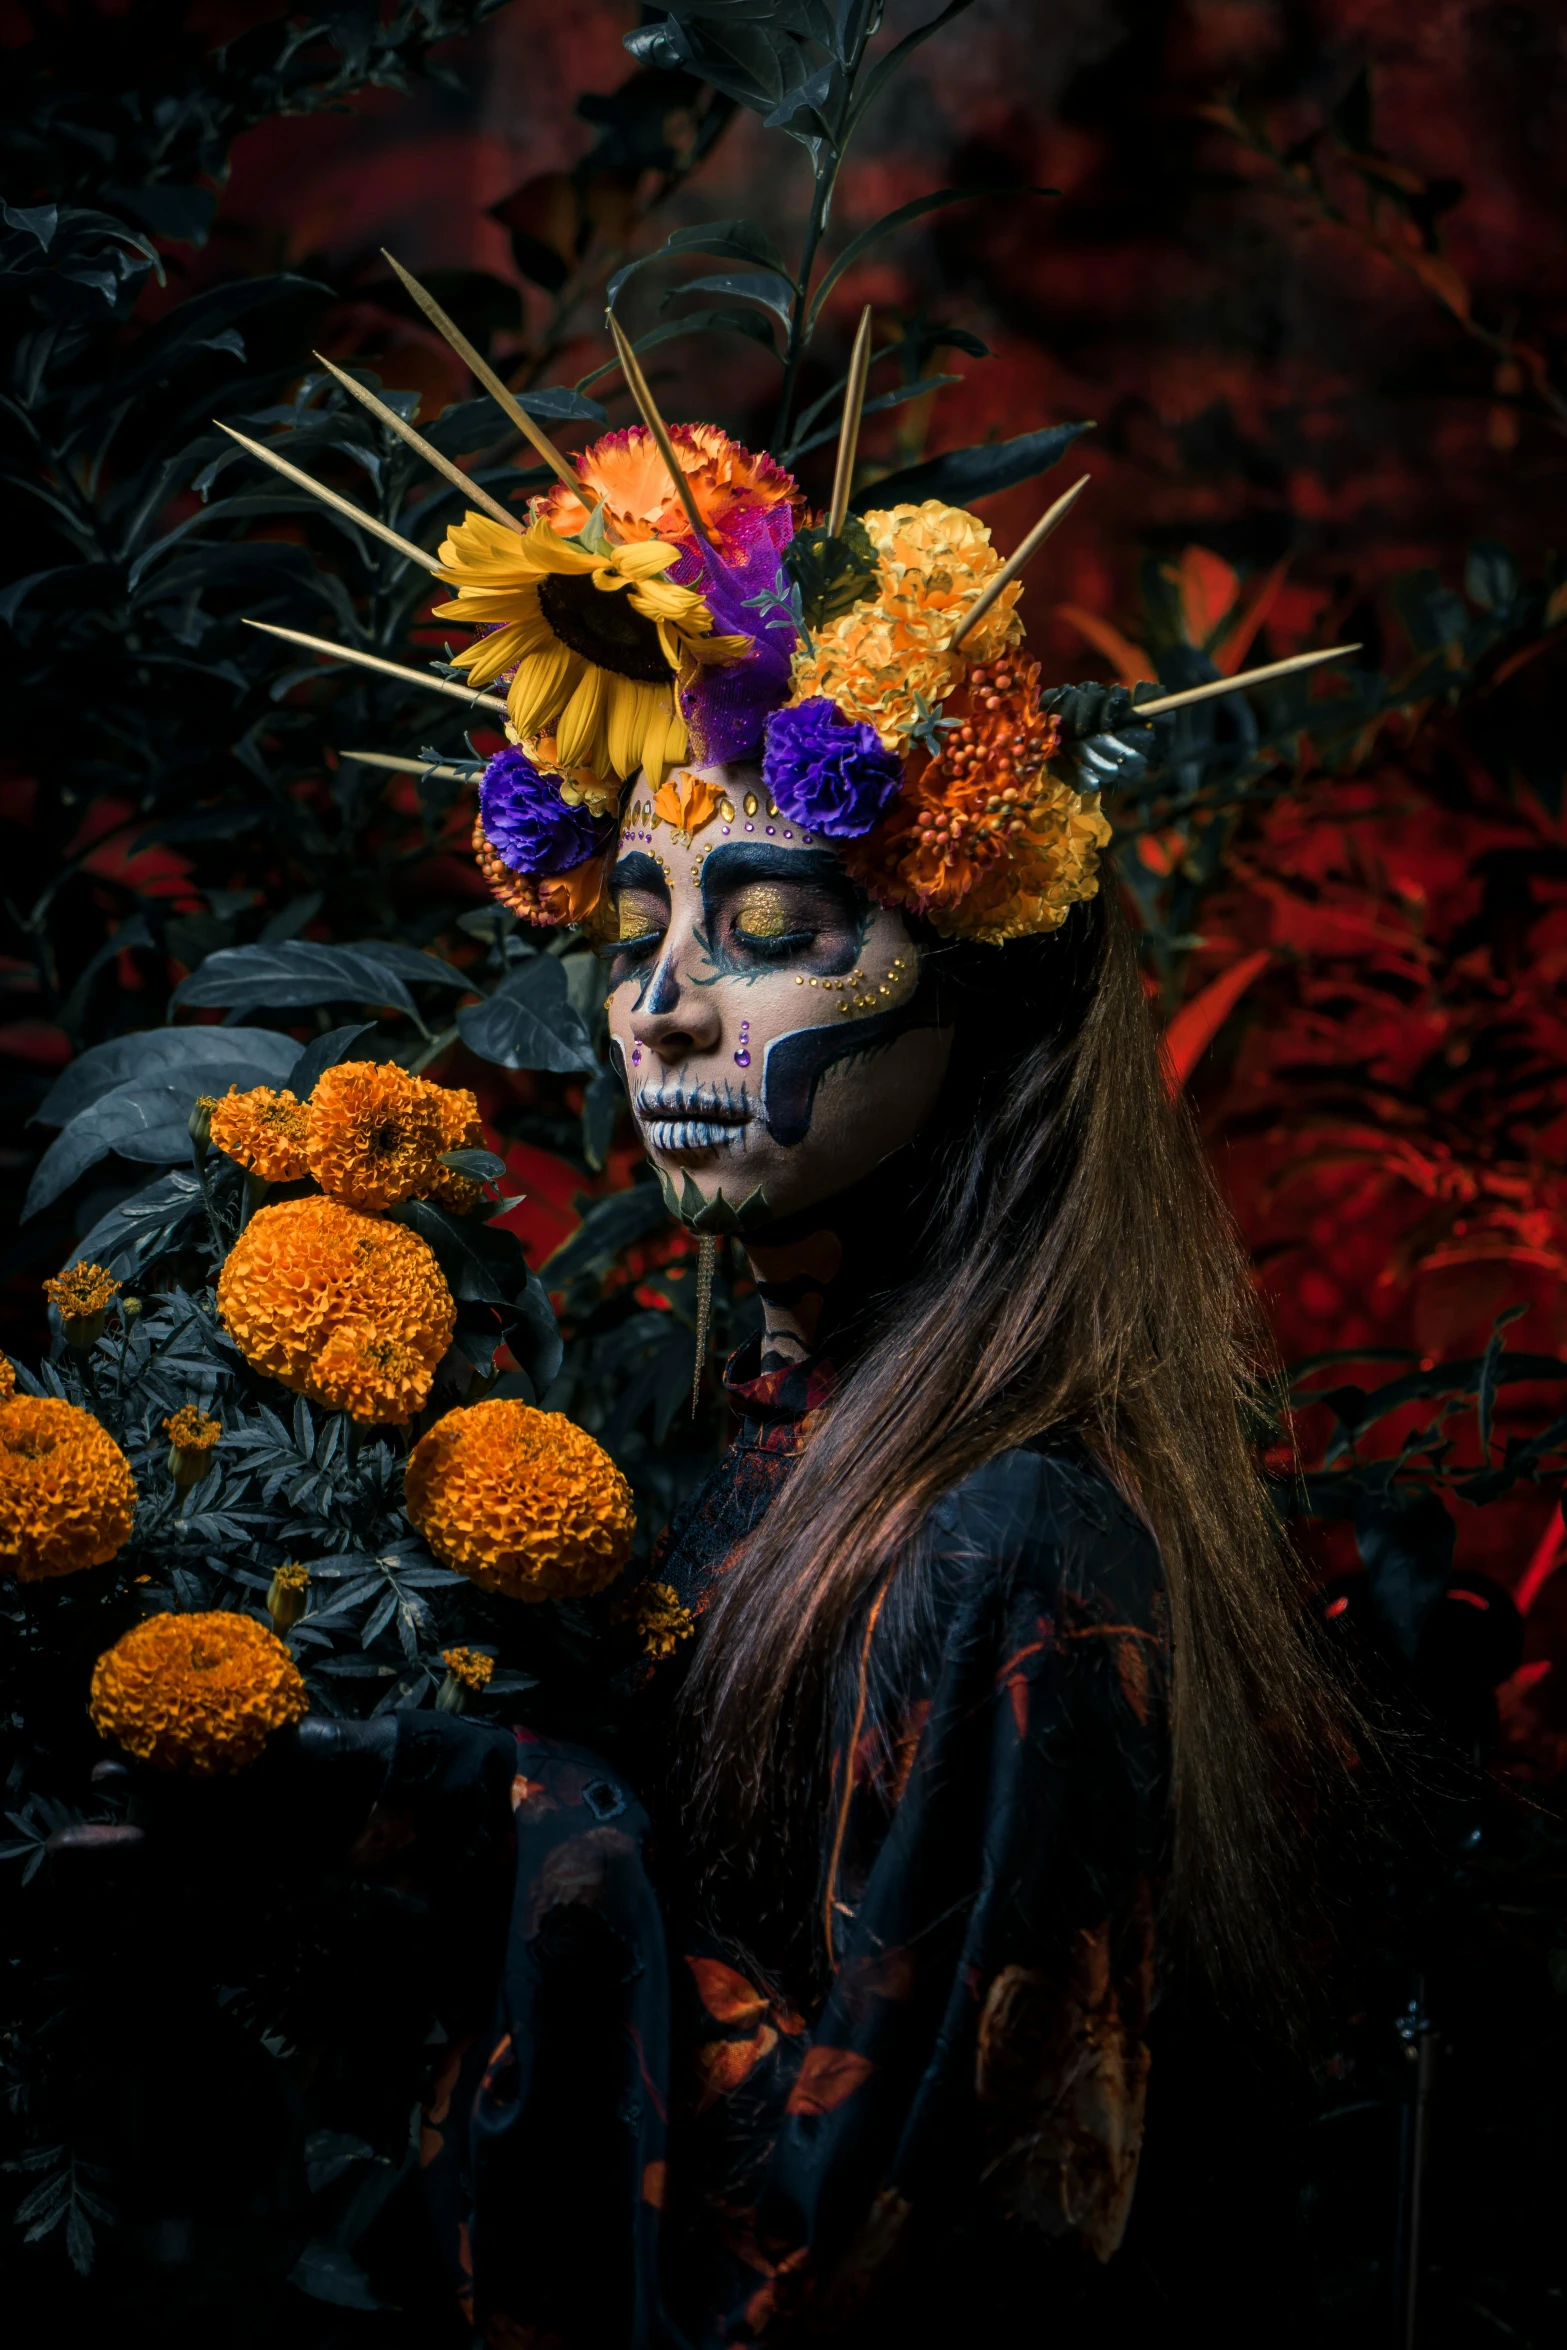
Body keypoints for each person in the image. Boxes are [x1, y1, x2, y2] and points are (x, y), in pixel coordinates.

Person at [328, 448, 1344, 2341]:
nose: (662, 1009)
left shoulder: (1009, 1549)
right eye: (641, 929)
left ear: (981, 985)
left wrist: (508, 1825)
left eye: (778, 930)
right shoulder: (766, 1457)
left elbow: (874, 2241)